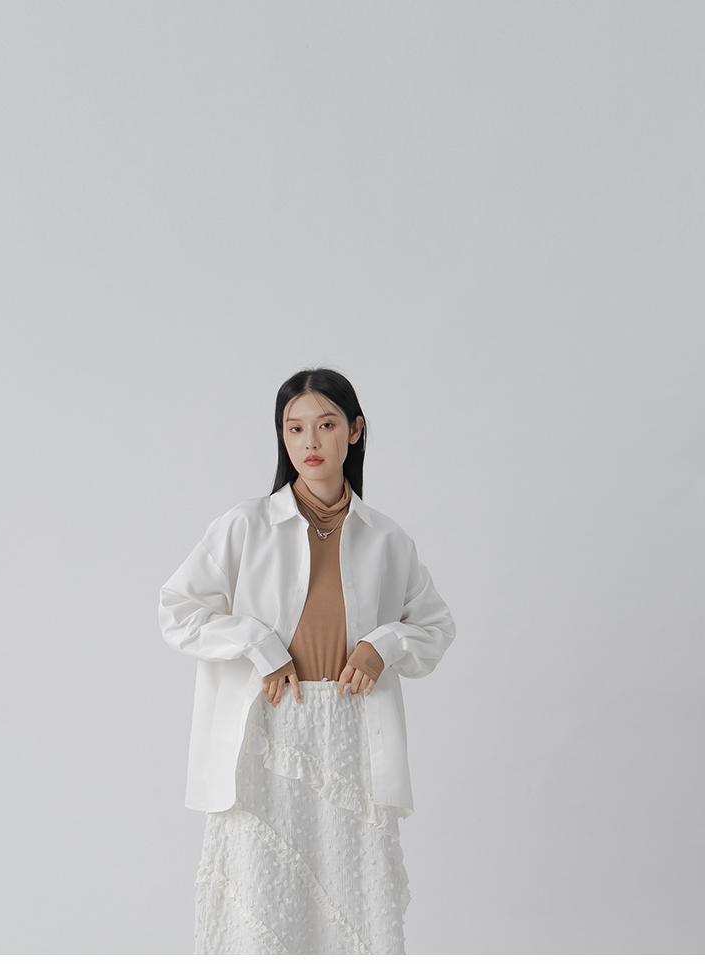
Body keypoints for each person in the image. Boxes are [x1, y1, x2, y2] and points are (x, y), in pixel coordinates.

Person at [158, 367, 456, 954]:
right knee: (261, 901)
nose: (310, 442)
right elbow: (178, 609)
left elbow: (435, 627)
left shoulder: (387, 539)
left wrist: (382, 645)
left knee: (354, 895)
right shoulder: (246, 525)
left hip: (350, 735)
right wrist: (256, 643)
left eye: (326, 425)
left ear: (355, 430)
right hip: (266, 731)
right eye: (294, 428)